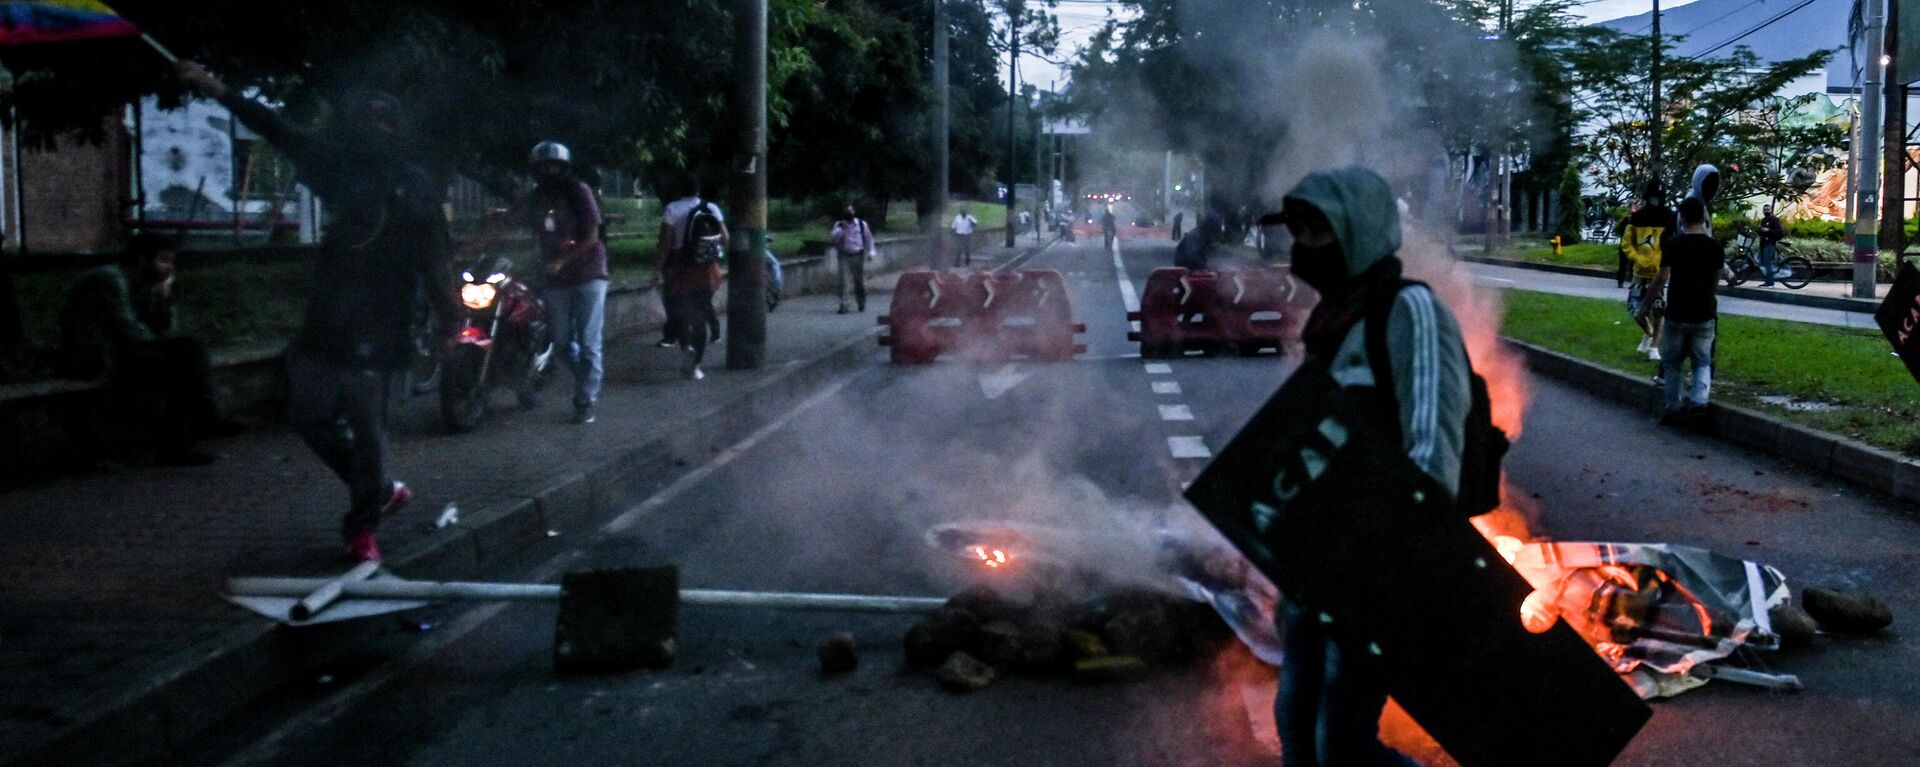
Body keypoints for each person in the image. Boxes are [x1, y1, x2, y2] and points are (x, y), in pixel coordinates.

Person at [177, 61, 459, 563]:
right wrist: (215, 88)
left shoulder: (413, 186)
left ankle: (361, 526)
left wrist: (450, 322)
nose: (375, 135)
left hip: (382, 324)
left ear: (396, 131)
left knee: (369, 431)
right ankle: (379, 489)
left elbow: (436, 259)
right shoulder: (338, 169)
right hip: (327, 318)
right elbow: (276, 128)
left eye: (384, 125)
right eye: (366, 125)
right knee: (309, 417)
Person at [1275, 165, 1468, 767]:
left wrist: (1386, 555)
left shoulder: (1409, 311)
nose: (1301, 248)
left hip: (1378, 567)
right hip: (1321, 567)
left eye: (1315, 233)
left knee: (1342, 743)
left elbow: (1432, 446)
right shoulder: (1333, 324)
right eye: (1298, 232)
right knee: (1297, 726)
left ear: (1355, 232)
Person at [57, 233, 245, 465]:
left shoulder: (144, 284)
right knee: (184, 355)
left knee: (186, 353)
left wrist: (165, 297)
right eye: (164, 260)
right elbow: (128, 330)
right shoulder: (108, 279)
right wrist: (164, 345)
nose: (169, 268)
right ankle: (199, 423)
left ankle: (187, 435)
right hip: (91, 358)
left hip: (118, 354)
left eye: (171, 262)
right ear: (141, 260)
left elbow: (164, 332)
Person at [524, 141, 607, 424]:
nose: (549, 171)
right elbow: (508, 221)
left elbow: (593, 235)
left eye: (554, 166)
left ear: (564, 167)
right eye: (543, 166)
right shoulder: (535, 198)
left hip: (589, 274)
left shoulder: (578, 192)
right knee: (560, 344)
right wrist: (469, 249)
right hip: (556, 280)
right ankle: (587, 379)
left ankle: (585, 399)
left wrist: (563, 260)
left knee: (588, 343)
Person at [1645, 198, 1728, 425]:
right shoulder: (1715, 248)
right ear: (1704, 218)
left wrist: (1646, 304)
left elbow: (1662, 278)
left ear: (1681, 218)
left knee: (1673, 363)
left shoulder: (1673, 245)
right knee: (1702, 362)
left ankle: (1673, 407)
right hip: (1704, 314)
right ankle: (1699, 403)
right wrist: (1708, 302)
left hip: (1677, 312)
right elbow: (1715, 282)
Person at [657, 175, 728, 381]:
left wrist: (656, 270)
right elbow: (725, 237)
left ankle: (685, 345)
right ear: (698, 189)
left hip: (680, 266)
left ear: (680, 189)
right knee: (701, 312)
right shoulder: (711, 208)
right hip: (705, 266)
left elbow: (665, 243)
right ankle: (696, 366)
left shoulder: (672, 209)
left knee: (677, 309)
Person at [1621, 181, 1675, 362]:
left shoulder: (1670, 217)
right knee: (1636, 310)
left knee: (1659, 310)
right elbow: (1627, 244)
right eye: (1652, 197)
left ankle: (1654, 347)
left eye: (1657, 197)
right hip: (1640, 272)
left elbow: (1675, 242)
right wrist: (1637, 258)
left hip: (1660, 273)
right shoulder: (1636, 219)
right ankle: (1650, 333)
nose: (1655, 200)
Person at [830, 203, 874, 314]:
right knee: (843, 281)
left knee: (860, 282)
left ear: (854, 212)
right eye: (846, 212)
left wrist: (871, 252)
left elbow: (869, 239)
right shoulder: (839, 225)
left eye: (850, 212)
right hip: (844, 255)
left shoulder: (861, 224)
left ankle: (861, 302)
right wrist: (842, 229)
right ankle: (844, 305)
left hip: (859, 255)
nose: (848, 215)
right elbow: (834, 239)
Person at [1757, 203, 1786, 287]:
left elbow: (1779, 231)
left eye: (1768, 210)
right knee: (1763, 262)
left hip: (1770, 244)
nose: (1766, 211)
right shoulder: (1763, 220)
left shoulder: (1774, 220)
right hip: (1763, 244)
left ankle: (1770, 283)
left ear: (1771, 210)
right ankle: (1768, 280)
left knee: (1767, 262)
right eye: (1765, 210)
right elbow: (1761, 231)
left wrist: (1768, 230)